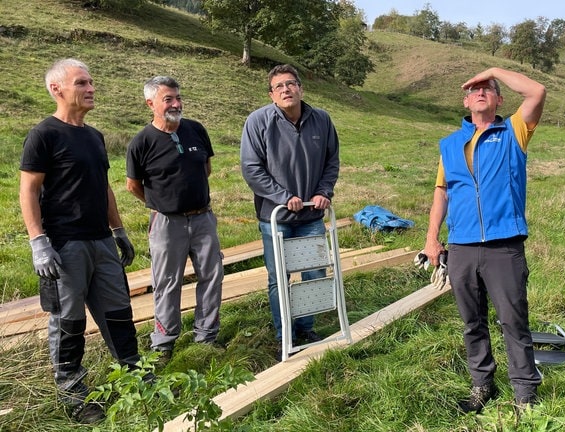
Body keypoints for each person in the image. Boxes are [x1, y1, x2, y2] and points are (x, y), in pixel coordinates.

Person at [19, 58, 143, 424]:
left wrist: (118, 229)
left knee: (119, 314)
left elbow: (103, 187)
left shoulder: (94, 136)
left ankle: (135, 379)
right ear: (57, 88)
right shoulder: (44, 134)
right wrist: (37, 241)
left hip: (101, 242)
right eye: (81, 83)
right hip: (63, 245)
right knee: (68, 322)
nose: (91, 88)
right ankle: (74, 395)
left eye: (91, 82)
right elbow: (28, 189)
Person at [423, 67, 546, 413]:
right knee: (471, 321)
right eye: (474, 89)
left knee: (513, 319)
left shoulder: (513, 133)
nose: (480, 92)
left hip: (503, 244)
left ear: (498, 99)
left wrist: (492, 70)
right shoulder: (449, 145)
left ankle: (524, 392)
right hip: (461, 246)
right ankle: (482, 385)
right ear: (465, 100)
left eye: (487, 88)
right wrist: (433, 239)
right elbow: (441, 193)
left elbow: (536, 91)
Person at [240, 64, 339, 359]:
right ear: (271, 94)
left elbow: (331, 160)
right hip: (276, 218)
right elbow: (251, 169)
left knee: (314, 272)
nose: (286, 89)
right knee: (279, 278)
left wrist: (324, 192)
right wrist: (284, 197)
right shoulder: (258, 122)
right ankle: (285, 333)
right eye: (279, 86)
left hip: (311, 216)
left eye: (291, 83)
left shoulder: (321, 119)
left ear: (301, 88)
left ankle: (307, 327)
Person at [126, 76, 224, 361]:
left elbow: (205, 168)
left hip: (203, 218)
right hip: (167, 223)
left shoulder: (196, 130)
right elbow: (133, 185)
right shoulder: (141, 142)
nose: (176, 104)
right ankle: (164, 342)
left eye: (178, 97)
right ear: (151, 103)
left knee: (212, 275)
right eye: (168, 99)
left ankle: (206, 335)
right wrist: (161, 203)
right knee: (167, 281)